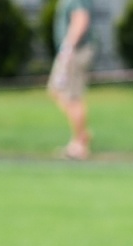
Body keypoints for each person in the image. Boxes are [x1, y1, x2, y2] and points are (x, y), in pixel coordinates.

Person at [47, 0, 94, 160]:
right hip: (71, 51)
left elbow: (80, 19)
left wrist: (68, 48)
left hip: (75, 52)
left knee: (73, 96)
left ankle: (80, 144)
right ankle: (81, 134)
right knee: (56, 90)